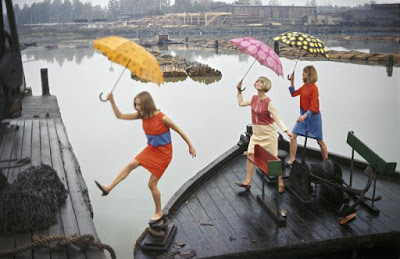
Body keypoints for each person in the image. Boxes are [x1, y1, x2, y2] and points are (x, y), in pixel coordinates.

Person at [95, 91, 196, 223]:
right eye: (135, 105)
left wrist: (190, 146)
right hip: (151, 149)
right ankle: (108, 188)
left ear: (146, 104)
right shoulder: (142, 116)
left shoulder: (163, 118)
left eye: (138, 105)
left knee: (151, 184)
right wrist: (112, 101)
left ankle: (158, 211)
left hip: (164, 154)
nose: (136, 108)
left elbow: (179, 130)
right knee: (131, 165)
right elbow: (120, 116)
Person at [235, 77, 293, 193]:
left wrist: (286, 131)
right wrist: (239, 90)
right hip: (256, 134)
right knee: (250, 154)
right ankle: (248, 182)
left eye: (261, 82)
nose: (258, 83)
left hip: (269, 134)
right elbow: (241, 103)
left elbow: (277, 119)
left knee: (273, 160)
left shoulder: (269, 102)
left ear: (265, 85)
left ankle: (280, 181)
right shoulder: (253, 98)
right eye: (257, 81)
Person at [286, 65, 328, 166]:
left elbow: (314, 107)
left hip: (313, 117)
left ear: (310, 74)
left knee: (320, 141)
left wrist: (304, 116)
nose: (302, 74)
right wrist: (292, 81)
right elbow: (294, 94)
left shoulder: (314, 88)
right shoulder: (305, 86)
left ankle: (327, 163)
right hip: (303, 116)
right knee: (293, 136)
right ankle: (292, 160)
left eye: (304, 72)